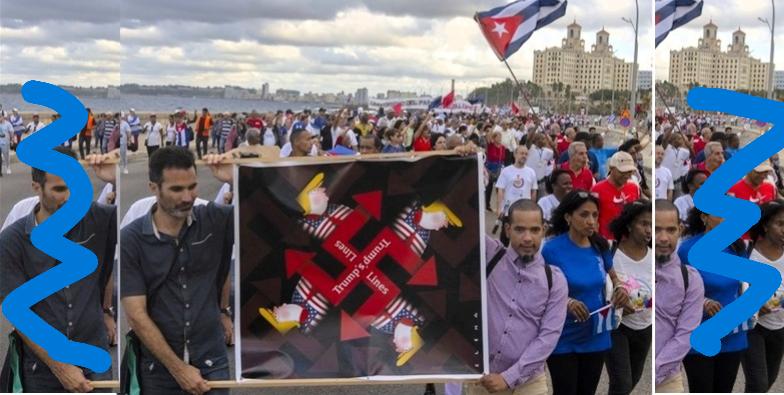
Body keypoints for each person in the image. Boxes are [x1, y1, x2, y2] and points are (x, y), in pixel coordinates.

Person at [0, 147, 117, 392]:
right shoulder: (13, 240)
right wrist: (60, 365)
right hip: (41, 370)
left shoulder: (100, 219)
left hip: (95, 360)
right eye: (60, 189)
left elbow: (138, 226)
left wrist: (117, 179)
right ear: (36, 188)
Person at [121, 147, 233, 394]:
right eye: (176, 189)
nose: (187, 197)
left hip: (212, 364)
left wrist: (236, 179)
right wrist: (178, 369)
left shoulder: (214, 220)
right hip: (157, 372)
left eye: (192, 187)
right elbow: (136, 315)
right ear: (153, 188)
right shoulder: (132, 239)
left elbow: (270, 215)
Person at [459, 199, 568, 395]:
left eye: (535, 230)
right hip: (484, 381)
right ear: (508, 230)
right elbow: (458, 219)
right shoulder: (489, 255)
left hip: (530, 384)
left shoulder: (555, 280)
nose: (527, 238)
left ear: (543, 230)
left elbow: (548, 337)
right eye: (520, 229)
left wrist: (508, 378)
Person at [542, 191, 630, 395]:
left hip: (595, 334)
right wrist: (566, 301)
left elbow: (614, 278)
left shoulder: (600, 246)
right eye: (584, 215)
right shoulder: (551, 250)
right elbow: (540, 290)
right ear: (568, 217)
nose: (591, 221)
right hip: (563, 336)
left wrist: (620, 289)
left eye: (595, 215)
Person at [679, 207, 748, 392]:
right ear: (704, 217)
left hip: (733, 335)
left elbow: (744, 286)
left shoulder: (737, 247)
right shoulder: (687, 249)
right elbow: (677, 289)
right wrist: (703, 302)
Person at [654, 200, 704, 393]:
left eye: (670, 230)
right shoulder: (634, 269)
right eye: (657, 229)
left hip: (668, 379)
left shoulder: (690, 279)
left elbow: (686, 334)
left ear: (680, 230)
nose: (664, 238)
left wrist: (657, 370)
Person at [605, 201, 652, 395]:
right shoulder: (611, 252)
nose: (649, 230)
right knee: (622, 383)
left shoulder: (657, 255)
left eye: (652, 225)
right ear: (630, 225)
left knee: (633, 380)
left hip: (645, 326)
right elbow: (599, 286)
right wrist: (616, 302)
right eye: (644, 224)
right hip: (617, 326)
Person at [742, 200, 784, 392]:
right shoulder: (748, 254)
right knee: (758, 383)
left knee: (769, 380)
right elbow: (736, 290)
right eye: (780, 224)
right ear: (766, 225)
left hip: (780, 326)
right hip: (753, 327)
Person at [591, 152, 641, 241]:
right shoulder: (597, 190)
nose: (626, 175)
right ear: (611, 168)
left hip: (627, 242)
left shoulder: (634, 188)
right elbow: (592, 217)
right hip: (605, 241)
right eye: (622, 171)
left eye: (629, 172)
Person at [485, 131, 506, 211]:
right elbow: (488, 136)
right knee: (489, 187)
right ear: (494, 138)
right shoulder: (491, 145)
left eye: (500, 137)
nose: (500, 138)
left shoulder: (503, 147)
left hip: (498, 168)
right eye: (498, 137)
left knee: (499, 188)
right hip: (490, 168)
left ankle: (500, 205)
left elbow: (503, 157)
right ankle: (487, 205)